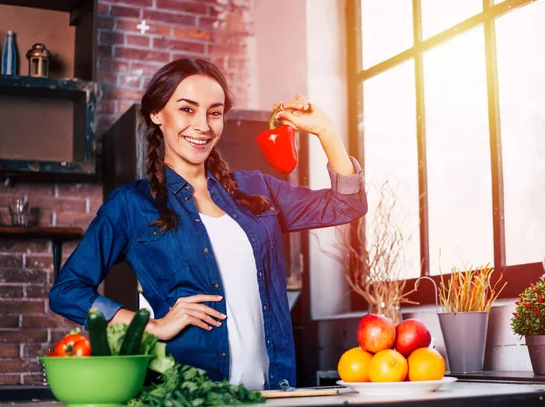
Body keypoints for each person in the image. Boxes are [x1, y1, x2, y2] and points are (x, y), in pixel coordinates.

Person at [49, 58, 367, 390]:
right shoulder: (131, 205)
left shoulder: (258, 189)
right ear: (157, 114)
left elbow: (347, 204)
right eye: (187, 109)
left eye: (214, 113)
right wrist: (152, 325)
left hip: (273, 391)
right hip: (190, 393)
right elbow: (67, 292)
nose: (203, 125)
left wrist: (325, 130)